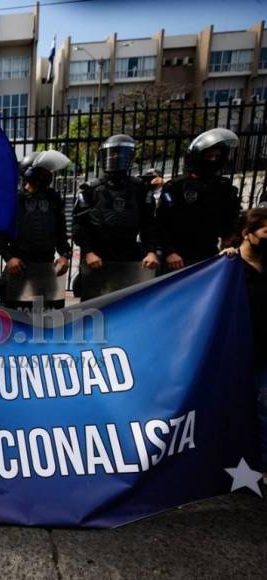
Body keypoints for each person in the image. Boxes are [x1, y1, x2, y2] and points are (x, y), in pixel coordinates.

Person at [72, 134, 160, 299]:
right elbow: (79, 225)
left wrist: (151, 251)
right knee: (94, 307)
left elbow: (149, 224)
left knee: (127, 304)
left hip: (129, 254)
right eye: (112, 153)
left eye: (121, 154)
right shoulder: (91, 190)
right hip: (97, 256)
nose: (116, 157)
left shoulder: (140, 189)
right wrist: (89, 251)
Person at [0, 150, 71, 310]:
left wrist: (64, 255)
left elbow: (61, 232)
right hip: (19, 266)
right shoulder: (13, 200)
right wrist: (9, 258)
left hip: (47, 266)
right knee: (15, 314)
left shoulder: (53, 199)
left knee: (49, 314)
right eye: (43, 172)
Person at [221, 208, 267, 482]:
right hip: (237, 349)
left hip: (265, 350)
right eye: (265, 233)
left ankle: (262, 465)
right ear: (247, 234)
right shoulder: (228, 265)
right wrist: (222, 262)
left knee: (264, 409)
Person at [157, 128, 241, 270]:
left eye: (217, 157)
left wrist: (229, 244)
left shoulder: (223, 187)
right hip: (177, 257)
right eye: (209, 156)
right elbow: (160, 223)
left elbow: (231, 219)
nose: (213, 160)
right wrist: (169, 252)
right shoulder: (176, 186)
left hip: (209, 254)